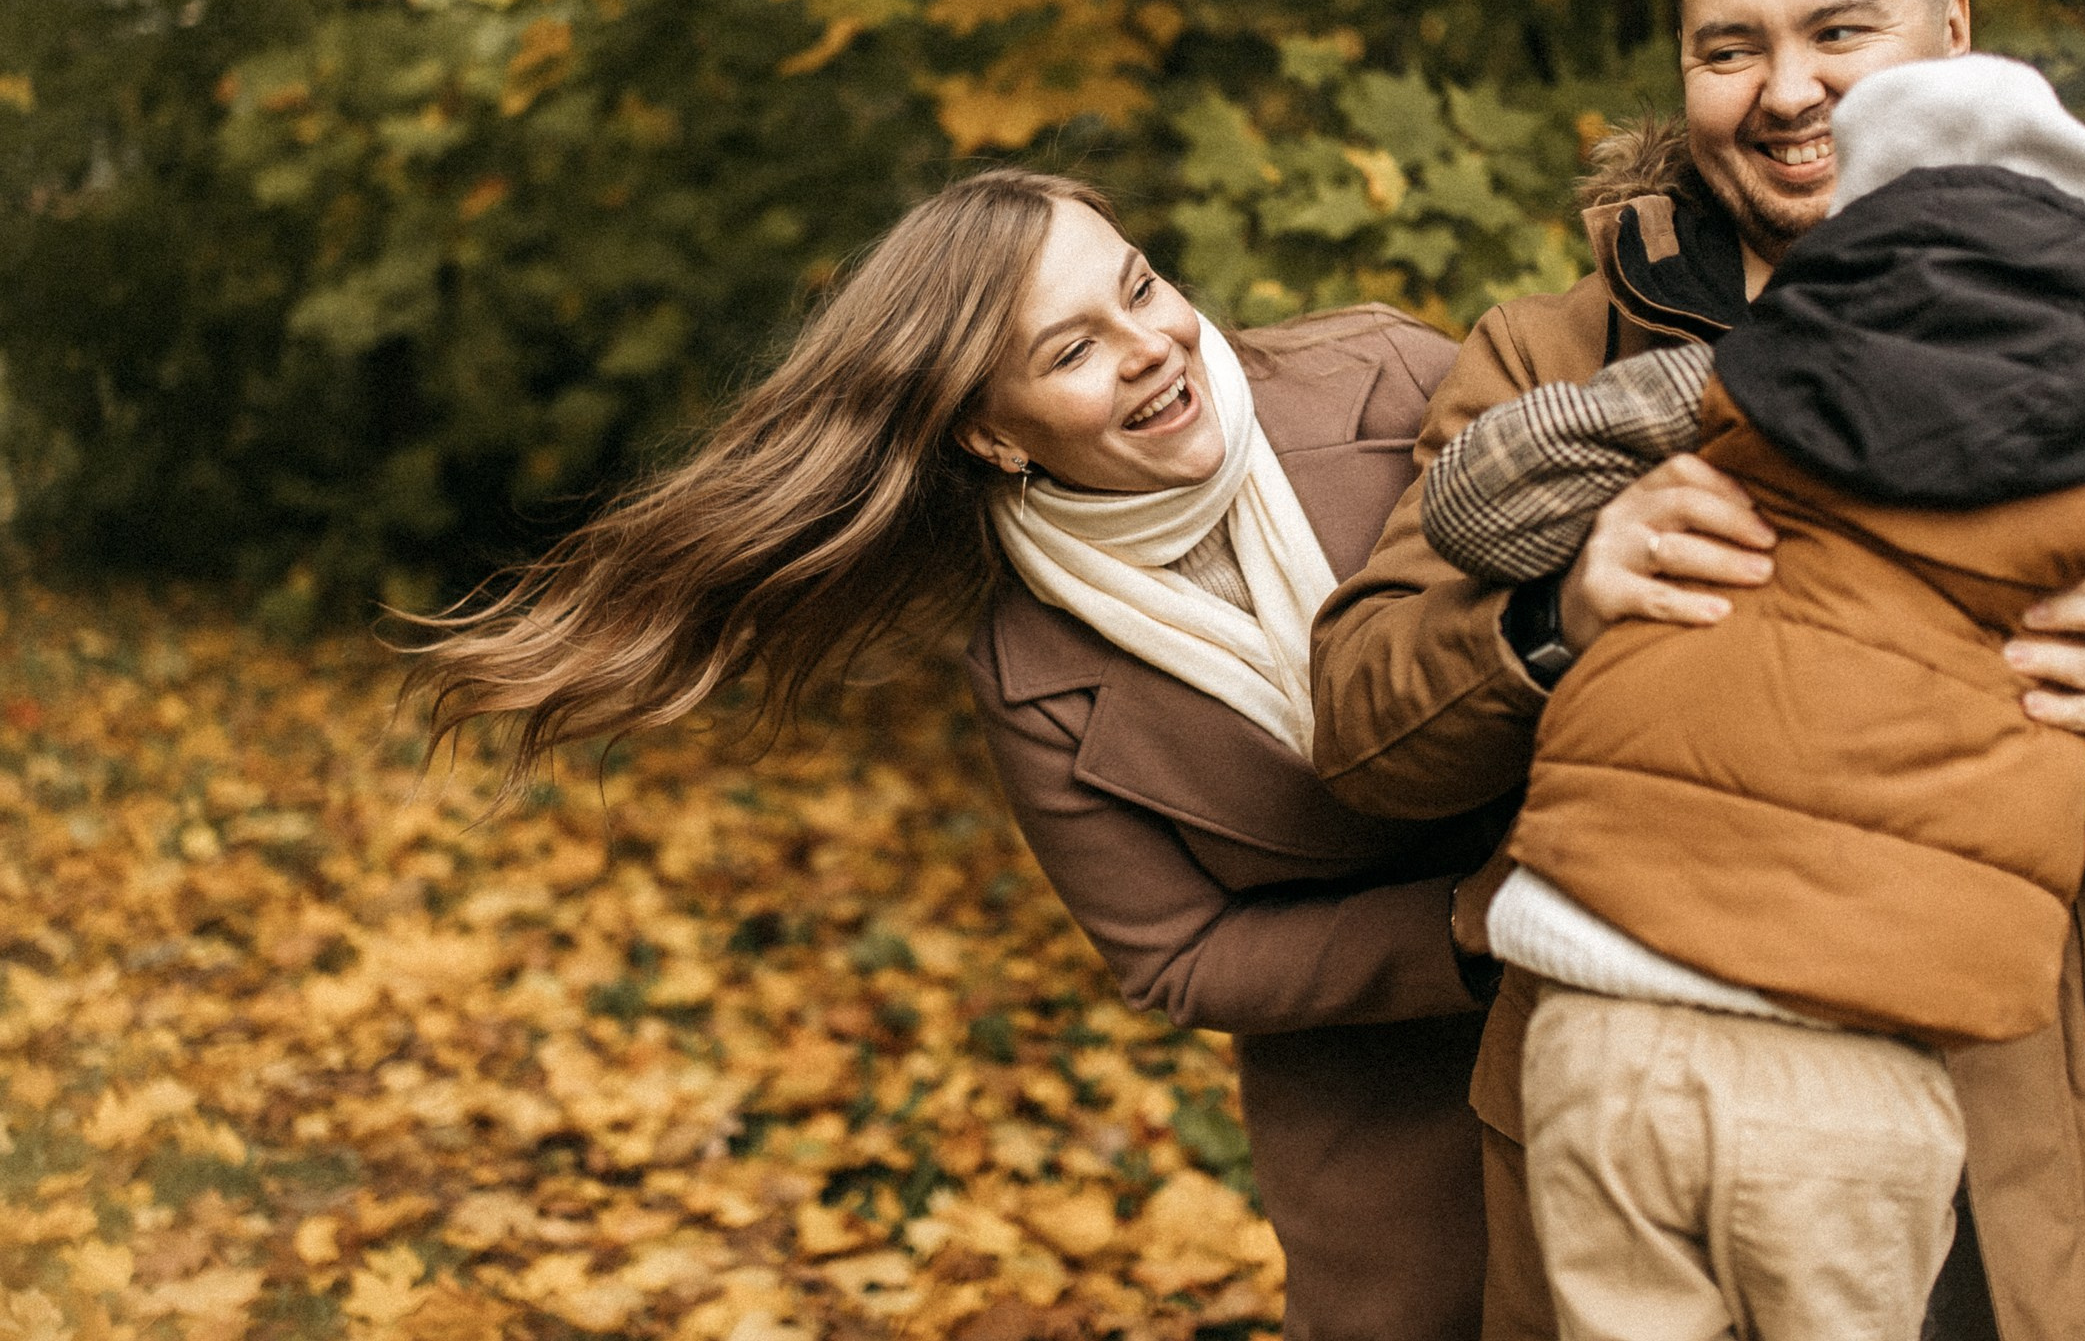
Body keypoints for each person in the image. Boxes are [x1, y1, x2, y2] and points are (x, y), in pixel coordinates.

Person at [1309, 0, 2085, 1341]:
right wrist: (1555, 617)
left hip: (2016, 1201)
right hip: (1625, 1150)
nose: (1786, 90)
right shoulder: (1558, 362)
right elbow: (1361, 733)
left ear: (1950, 34)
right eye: (1728, 47)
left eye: (1839, 31)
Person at [405, 168, 1504, 1341]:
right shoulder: (1024, 662)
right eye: (1072, 350)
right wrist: (1472, 927)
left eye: (1142, 287)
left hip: (1640, 964)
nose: (1151, 345)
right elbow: (1179, 955)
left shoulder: (1388, 377)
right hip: (1384, 1106)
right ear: (991, 431)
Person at [1413, 54, 2085, 1340]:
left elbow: (1472, 500)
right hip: (1853, 1070)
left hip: (1598, 1032)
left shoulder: (1724, 391)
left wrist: (1601, 524)